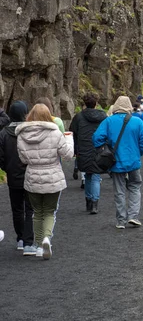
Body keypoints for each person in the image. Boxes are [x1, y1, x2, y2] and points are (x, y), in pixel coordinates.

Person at [17, 103, 74, 259]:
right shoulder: (55, 133)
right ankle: (46, 239)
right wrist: (69, 140)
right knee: (49, 211)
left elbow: (22, 158)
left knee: (37, 212)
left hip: (32, 176)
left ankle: (37, 245)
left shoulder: (22, 134)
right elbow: (68, 155)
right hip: (52, 175)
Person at [93, 96, 143, 229]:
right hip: (133, 161)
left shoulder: (108, 121)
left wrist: (106, 148)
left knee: (119, 190)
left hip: (116, 162)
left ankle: (121, 220)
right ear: (129, 107)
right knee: (135, 186)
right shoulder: (137, 122)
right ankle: (133, 216)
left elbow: (96, 138)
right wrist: (137, 153)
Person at [0, 101, 35, 255]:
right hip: (31, 174)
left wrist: (7, 168)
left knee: (17, 209)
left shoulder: (3, 133)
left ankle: (20, 239)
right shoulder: (31, 131)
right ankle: (28, 242)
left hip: (13, 175)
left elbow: (0, 157)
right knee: (30, 208)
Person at [69, 93, 107, 214]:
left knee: (87, 175)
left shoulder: (79, 117)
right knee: (96, 175)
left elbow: (73, 133)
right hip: (98, 149)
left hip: (83, 149)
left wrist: (75, 150)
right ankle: (95, 204)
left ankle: (88, 201)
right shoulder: (103, 116)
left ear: (84, 103)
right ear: (96, 103)